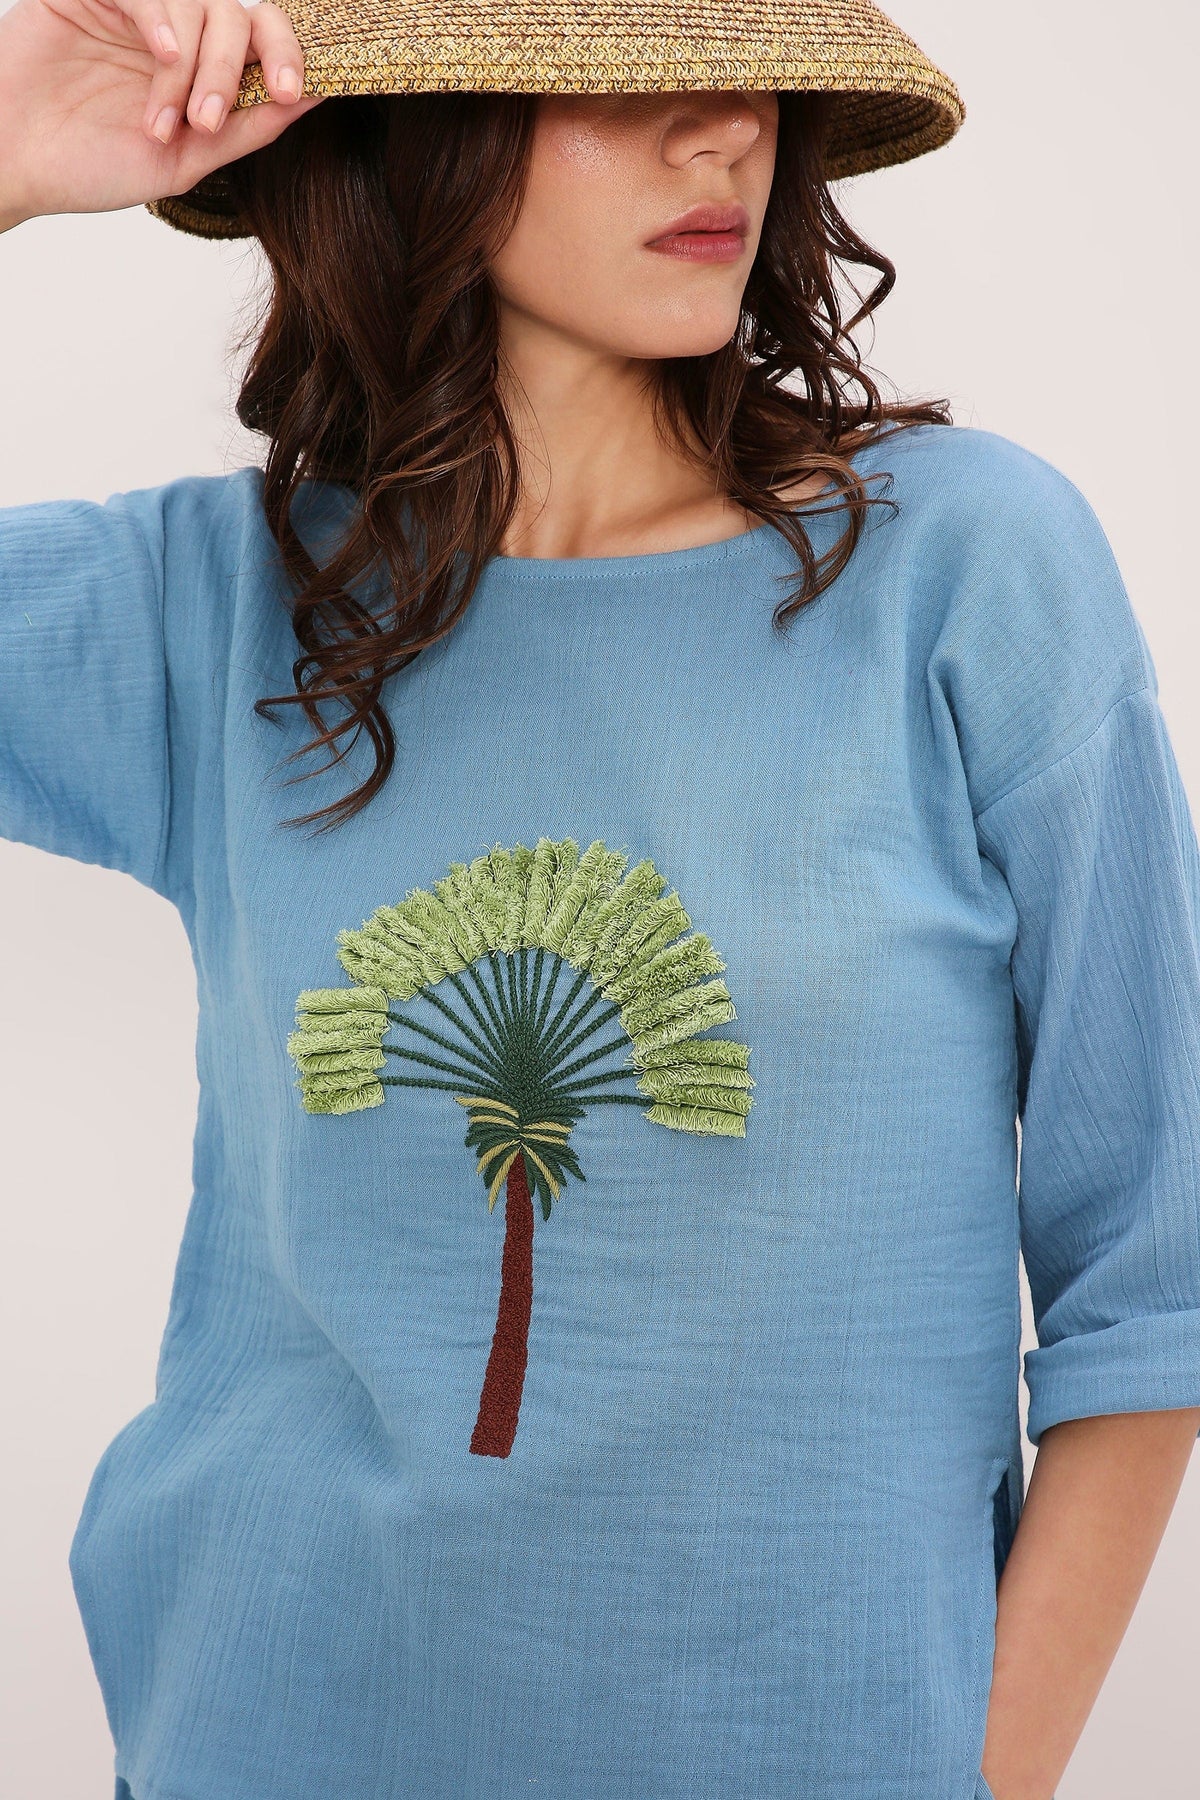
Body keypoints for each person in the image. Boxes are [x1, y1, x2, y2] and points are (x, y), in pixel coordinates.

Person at [2, 2, 1198, 1798]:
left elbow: (1157, 1268)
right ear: (422, 120)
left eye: (748, 61)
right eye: (618, 65)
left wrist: (984, 1773)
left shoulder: (961, 566)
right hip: (268, 1730)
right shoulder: (214, 604)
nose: (724, 128)